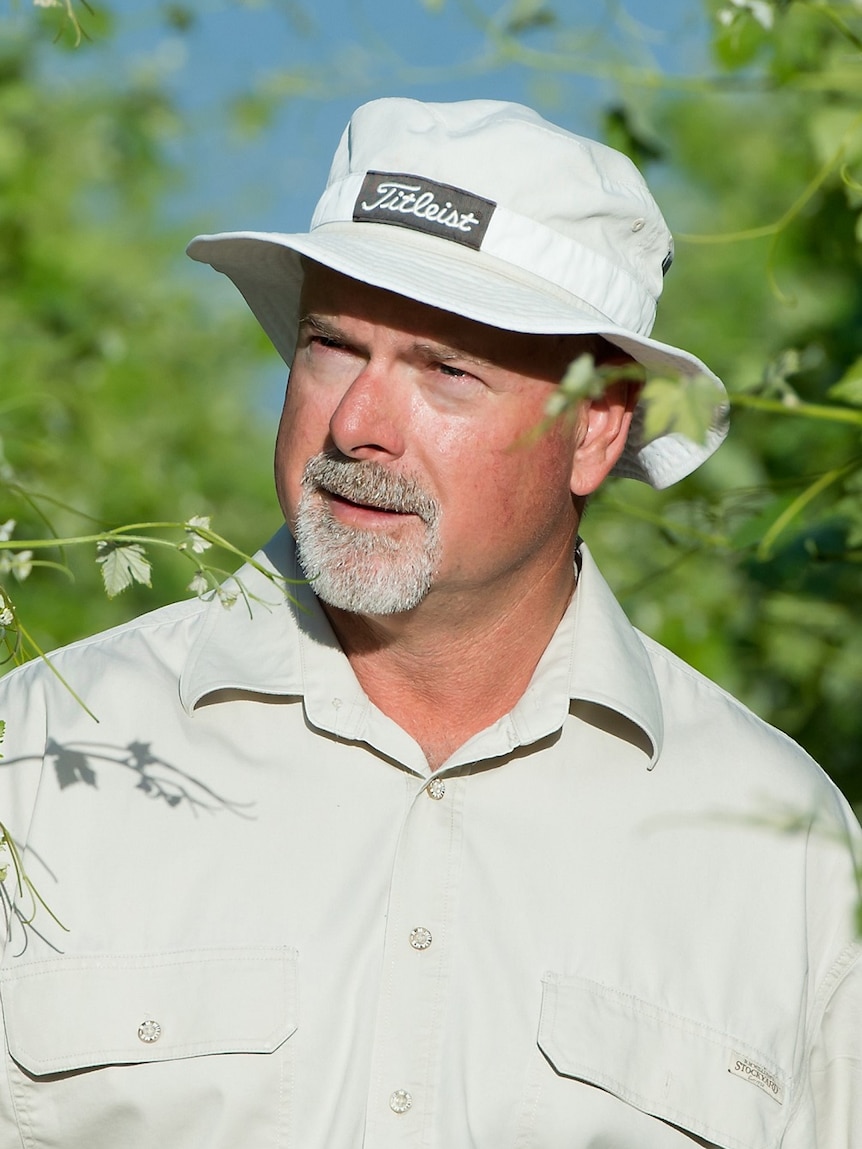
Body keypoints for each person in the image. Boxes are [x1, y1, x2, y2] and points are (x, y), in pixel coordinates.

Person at [0, 98, 859, 1149]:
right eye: (330, 347)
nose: (357, 425)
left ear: (596, 429)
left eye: (446, 371)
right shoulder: (41, 757)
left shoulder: (783, 851)